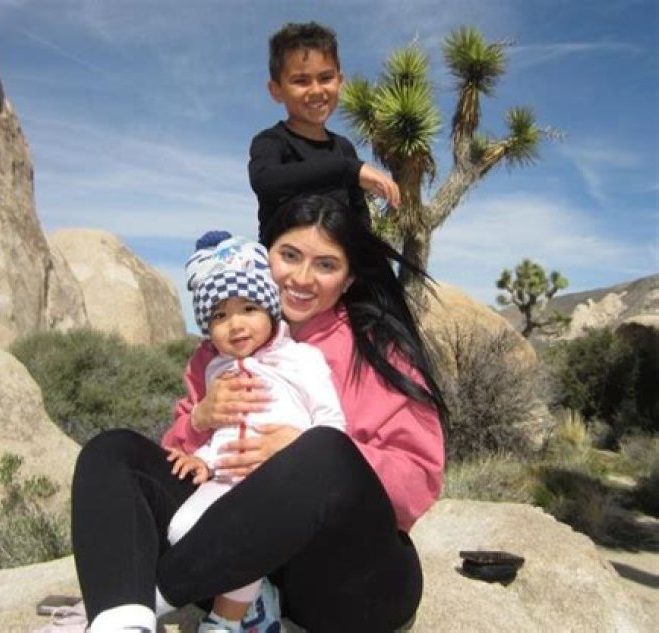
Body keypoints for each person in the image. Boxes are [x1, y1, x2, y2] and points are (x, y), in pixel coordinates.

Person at [71, 194, 446, 633]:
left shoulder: (377, 349)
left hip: (344, 584)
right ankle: (121, 623)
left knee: (324, 449)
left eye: (326, 265)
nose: (301, 278)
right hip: (235, 562)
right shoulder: (218, 351)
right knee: (112, 452)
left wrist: (302, 460)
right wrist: (198, 421)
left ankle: (154, 595)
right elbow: (181, 461)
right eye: (289, 256)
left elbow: (418, 479)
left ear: (347, 279)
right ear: (265, 255)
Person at [167, 230, 346, 632]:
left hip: (278, 485)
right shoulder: (215, 370)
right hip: (226, 480)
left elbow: (332, 425)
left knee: (244, 533)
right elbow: (225, 434)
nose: (235, 325)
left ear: (270, 308)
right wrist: (202, 459)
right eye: (219, 316)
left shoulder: (302, 359)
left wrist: (298, 448)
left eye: (248, 308)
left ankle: (225, 620)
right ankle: (258, 597)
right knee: (181, 530)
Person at [248, 21, 401, 241]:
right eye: (301, 81)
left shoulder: (344, 148)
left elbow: (360, 216)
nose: (316, 90)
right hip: (283, 258)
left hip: (335, 258)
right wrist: (347, 170)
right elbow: (265, 181)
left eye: (326, 78)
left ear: (340, 81)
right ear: (276, 90)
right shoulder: (271, 141)